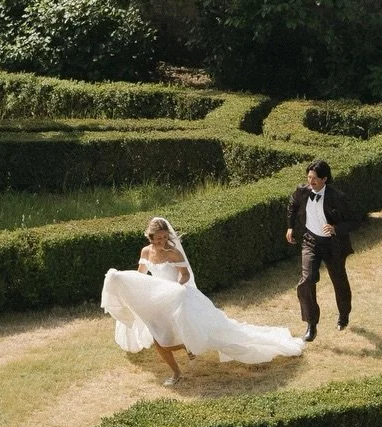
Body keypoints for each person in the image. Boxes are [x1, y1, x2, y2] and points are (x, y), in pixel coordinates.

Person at [101, 216, 304, 377]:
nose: (163, 241)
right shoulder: (146, 252)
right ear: (151, 238)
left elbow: (185, 275)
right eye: (158, 238)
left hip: (176, 296)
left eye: (165, 237)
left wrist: (176, 289)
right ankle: (182, 361)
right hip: (157, 298)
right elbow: (141, 275)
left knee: (174, 337)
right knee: (162, 337)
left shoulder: (174, 254)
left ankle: (185, 357)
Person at [285, 159, 353, 341]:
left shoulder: (337, 197)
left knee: (339, 280)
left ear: (324, 179)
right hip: (311, 241)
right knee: (306, 280)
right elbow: (292, 205)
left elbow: (355, 220)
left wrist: (336, 229)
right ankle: (311, 325)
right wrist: (290, 227)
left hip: (333, 245)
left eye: (314, 178)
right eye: (308, 177)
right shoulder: (302, 191)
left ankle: (344, 315)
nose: (310, 182)